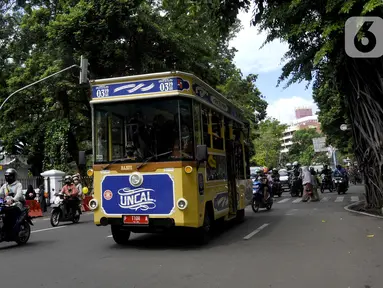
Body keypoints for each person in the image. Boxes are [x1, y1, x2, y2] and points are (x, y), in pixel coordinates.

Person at [0, 168, 25, 236]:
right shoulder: (5, 186)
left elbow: (19, 194)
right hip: (7, 204)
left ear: (14, 176)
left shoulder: (18, 184)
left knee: (11, 212)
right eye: (6, 176)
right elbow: (0, 193)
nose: (8, 178)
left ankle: (12, 229)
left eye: (10, 176)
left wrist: (13, 200)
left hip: (17, 203)